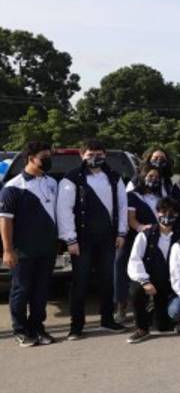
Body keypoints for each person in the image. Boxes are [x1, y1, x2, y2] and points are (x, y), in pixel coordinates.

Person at [57, 139, 128, 340]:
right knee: (80, 282)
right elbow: (64, 210)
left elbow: (122, 205)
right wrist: (70, 239)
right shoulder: (71, 178)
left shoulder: (114, 177)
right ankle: (76, 326)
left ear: (105, 155)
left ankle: (107, 319)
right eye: (90, 154)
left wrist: (121, 233)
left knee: (107, 281)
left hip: (108, 238)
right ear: (82, 155)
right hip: (82, 240)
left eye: (99, 154)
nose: (95, 158)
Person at [0, 141, 59, 347]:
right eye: (44, 157)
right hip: (23, 250)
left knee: (41, 291)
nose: (48, 160)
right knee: (21, 290)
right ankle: (20, 330)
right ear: (31, 158)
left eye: (49, 156)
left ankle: (37, 328)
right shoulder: (13, 187)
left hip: (47, 248)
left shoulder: (52, 183)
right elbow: (5, 221)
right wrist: (8, 250)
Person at [125, 197, 180, 343]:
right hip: (149, 279)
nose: (167, 215)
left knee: (162, 327)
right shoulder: (145, 234)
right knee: (136, 290)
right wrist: (145, 281)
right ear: (157, 213)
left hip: (169, 282)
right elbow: (134, 260)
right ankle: (142, 328)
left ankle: (160, 314)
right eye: (163, 211)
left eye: (172, 212)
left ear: (177, 215)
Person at [115, 165, 165, 324]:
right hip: (134, 239)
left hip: (154, 240)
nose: (153, 180)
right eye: (150, 176)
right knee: (123, 270)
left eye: (156, 177)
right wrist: (141, 228)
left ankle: (152, 309)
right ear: (142, 177)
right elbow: (131, 219)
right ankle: (122, 307)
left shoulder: (160, 197)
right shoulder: (132, 195)